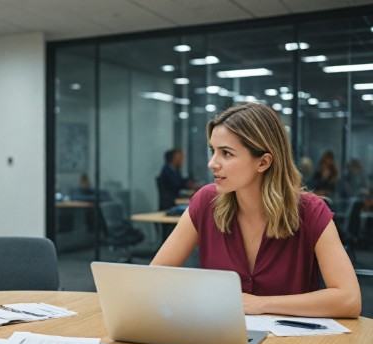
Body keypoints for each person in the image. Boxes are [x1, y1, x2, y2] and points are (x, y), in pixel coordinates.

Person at [151, 103, 361, 318]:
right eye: (212, 151)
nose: (212, 163)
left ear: (263, 162)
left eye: (226, 153)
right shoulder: (206, 202)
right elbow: (153, 277)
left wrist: (261, 304)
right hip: (221, 341)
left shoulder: (311, 211)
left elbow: (349, 299)